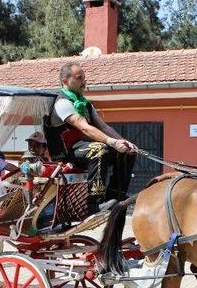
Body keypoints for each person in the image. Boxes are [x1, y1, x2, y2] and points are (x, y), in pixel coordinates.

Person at [44, 62, 137, 213]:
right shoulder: (62, 103)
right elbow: (83, 127)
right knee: (100, 149)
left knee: (128, 152)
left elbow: (104, 127)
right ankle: (93, 204)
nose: (84, 82)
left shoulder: (86, 104)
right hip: (66, 154)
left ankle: (116, 196)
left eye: (84, 78)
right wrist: (112, 142)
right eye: (79, 78)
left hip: (82, 150)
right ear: (65, 81)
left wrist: (124, 142)